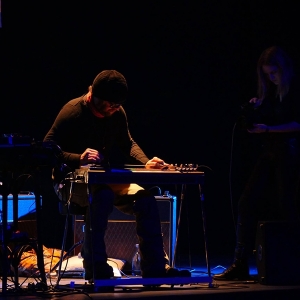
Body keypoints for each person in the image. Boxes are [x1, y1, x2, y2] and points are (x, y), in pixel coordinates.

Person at [43, 70, 190, 284]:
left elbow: (128, 143)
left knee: (145, 199)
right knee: (101, 197)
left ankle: (155, 268)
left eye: (117, 105)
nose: (114, 108)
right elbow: (48, 148)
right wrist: (78, 158)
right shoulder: (72, 112)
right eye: (110, 104)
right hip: (69, 183)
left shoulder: (117, 113)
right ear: (93, 96)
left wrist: (145, 162)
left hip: (102, 179)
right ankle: (96, 268)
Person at [214, 46, 300, 281]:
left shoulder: (295, 89)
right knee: (246, 201)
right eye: (267, 74)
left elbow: (297, 125)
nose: (271, 78)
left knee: (288, 206)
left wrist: (269, 129)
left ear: (283, 69)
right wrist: (257, 109)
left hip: (290, 154)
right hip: (270, 152)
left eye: (274, 73)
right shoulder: (270, 93)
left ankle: (290, 264)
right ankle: (240, 262)